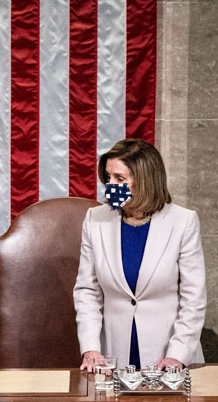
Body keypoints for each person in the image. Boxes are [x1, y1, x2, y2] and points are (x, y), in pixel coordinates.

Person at [74, 138, 206, 373]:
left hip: (169, 357)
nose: (110, 185)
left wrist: (177, 355)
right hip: (114, 356)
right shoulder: (95, 219)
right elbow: (87, 291)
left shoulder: (183, 222)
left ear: (144, 180)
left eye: (119, 179)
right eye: (108, 177)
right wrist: (91, 348)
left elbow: (193, 299)